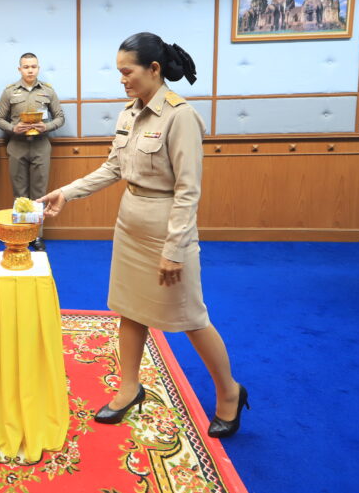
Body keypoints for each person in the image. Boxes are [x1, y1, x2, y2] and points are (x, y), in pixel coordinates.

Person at [38, 32, 248, 438]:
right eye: (119, 72)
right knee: (130, 310)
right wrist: (67, 192)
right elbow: (113, 168)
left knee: (191, 316)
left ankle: (229, 392)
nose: (122, 80)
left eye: (127, 71)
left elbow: (188, 189)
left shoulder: (180, 116)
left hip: (167, 228)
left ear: (153, 69)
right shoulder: (128, 114)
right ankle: (129, 388)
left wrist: (175, 248)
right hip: (130, 224)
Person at [0, 52, 64, 251]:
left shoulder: (48, 91)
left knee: (39, 194)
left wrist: (47, 126)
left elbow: (60, 117)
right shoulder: (9, 92)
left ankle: (36, 236)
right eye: (26, 67)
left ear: (38, 68)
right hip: (17, 146)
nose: (30, 70)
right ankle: (21, 233)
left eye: (33, 66)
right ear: (20, 69)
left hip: (40, 146)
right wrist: (13, 128)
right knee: (20, 194)